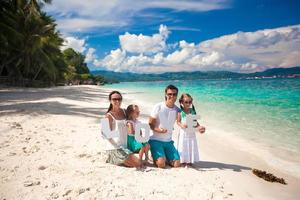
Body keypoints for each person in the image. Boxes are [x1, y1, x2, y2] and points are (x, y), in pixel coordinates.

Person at [102, 91, 141, 168]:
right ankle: (111, 158)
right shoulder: (107, 116)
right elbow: (104, 135)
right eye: (114, 99)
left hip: (126, 146)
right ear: (110, 101)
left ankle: (123, 158)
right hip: (114, 148)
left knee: (145, 146)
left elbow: (134, 119)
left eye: (119, 99)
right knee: (138, 163)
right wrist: (117, 132)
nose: (117, 101)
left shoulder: (124, 111)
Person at [148, 85, 181, 168]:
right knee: (161, 164)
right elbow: (150, 124)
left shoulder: (177, 110)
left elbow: (184, 121)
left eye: (174, 94)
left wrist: (198, 127)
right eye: (170, 94)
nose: (172, 96)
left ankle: (164, 155)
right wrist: (159, 130)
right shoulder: (158, 106)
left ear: (177, 96)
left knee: (177, 164)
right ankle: (157, 155)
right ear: (166, 94)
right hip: (156, 140)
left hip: (168, 141)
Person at [176, 93, 205, 167]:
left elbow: (195, 122)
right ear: (181, 102)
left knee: (191, 144)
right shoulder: (180, 112)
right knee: (183, 145)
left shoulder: (192, 111)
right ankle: (183, 160)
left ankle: (189, 160)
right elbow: (178, 122)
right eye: (186, 102)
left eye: (190, 102)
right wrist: (182, 125)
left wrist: (199, 127)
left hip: (191, 132)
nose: (188, 104)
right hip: (184, 132)